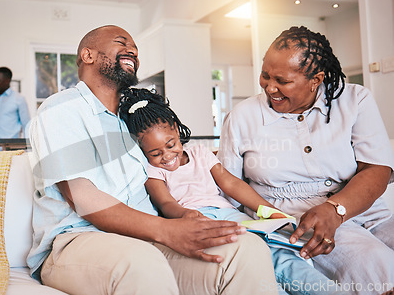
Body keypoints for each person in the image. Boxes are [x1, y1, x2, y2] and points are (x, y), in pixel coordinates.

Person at [27, 25, 280, 295]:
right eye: (121, 42)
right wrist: (167, 230)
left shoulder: (134, 122)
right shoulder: (62, 109)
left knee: (245, 249)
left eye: (135, 47)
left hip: (147, 240)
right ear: (87, 55)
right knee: (141, 262)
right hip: (78, 240)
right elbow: (82, 198)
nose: (132, 50)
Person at [217, 26, 394, 295]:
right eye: (265, 75)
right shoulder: (242, 117)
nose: (269, 87)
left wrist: (336, 209)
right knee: (376, 265)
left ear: (316, 79)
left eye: (282, 80)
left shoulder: (355, 100)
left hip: (364, 207)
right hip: (296, 217)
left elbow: (377, 169)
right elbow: (227, 186)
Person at [119, 87, 345, 295]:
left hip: (233, 217)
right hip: (199, 221)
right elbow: (165, 202)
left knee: (284, 258)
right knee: (257, 268)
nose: (167, 156)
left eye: (170, 145)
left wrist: (269, 211)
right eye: (156, 153)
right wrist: (183, 215)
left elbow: (231, 184)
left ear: (177, 131)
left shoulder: (199, 152)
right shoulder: (151, 170)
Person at [0, 67, 30, 148]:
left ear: (7, 81)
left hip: (10, 149)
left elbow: (27, 125)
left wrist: (28, 148)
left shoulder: (18, 99)